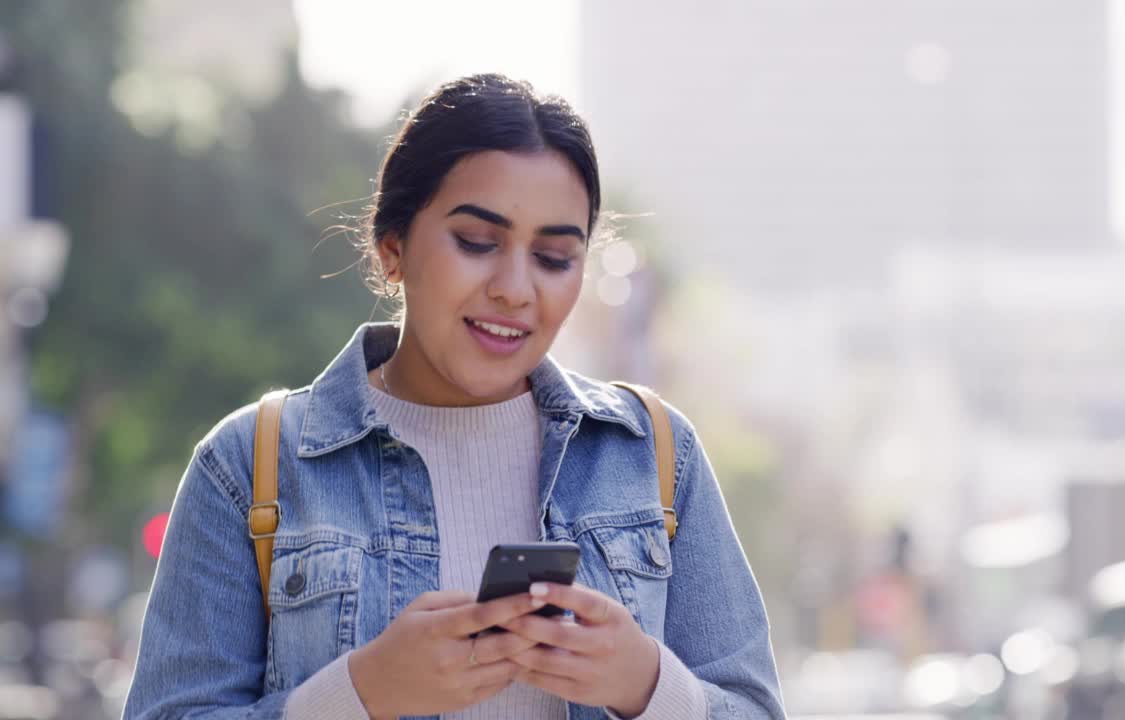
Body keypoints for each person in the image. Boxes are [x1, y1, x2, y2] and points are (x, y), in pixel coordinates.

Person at [122, 73, 784, 719]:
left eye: (555, 256)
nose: (515, 289)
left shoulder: (652, 455)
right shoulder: (249, 467)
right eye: (476, 242)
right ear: (392, 249)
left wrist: (647, 684)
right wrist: (358, 696)